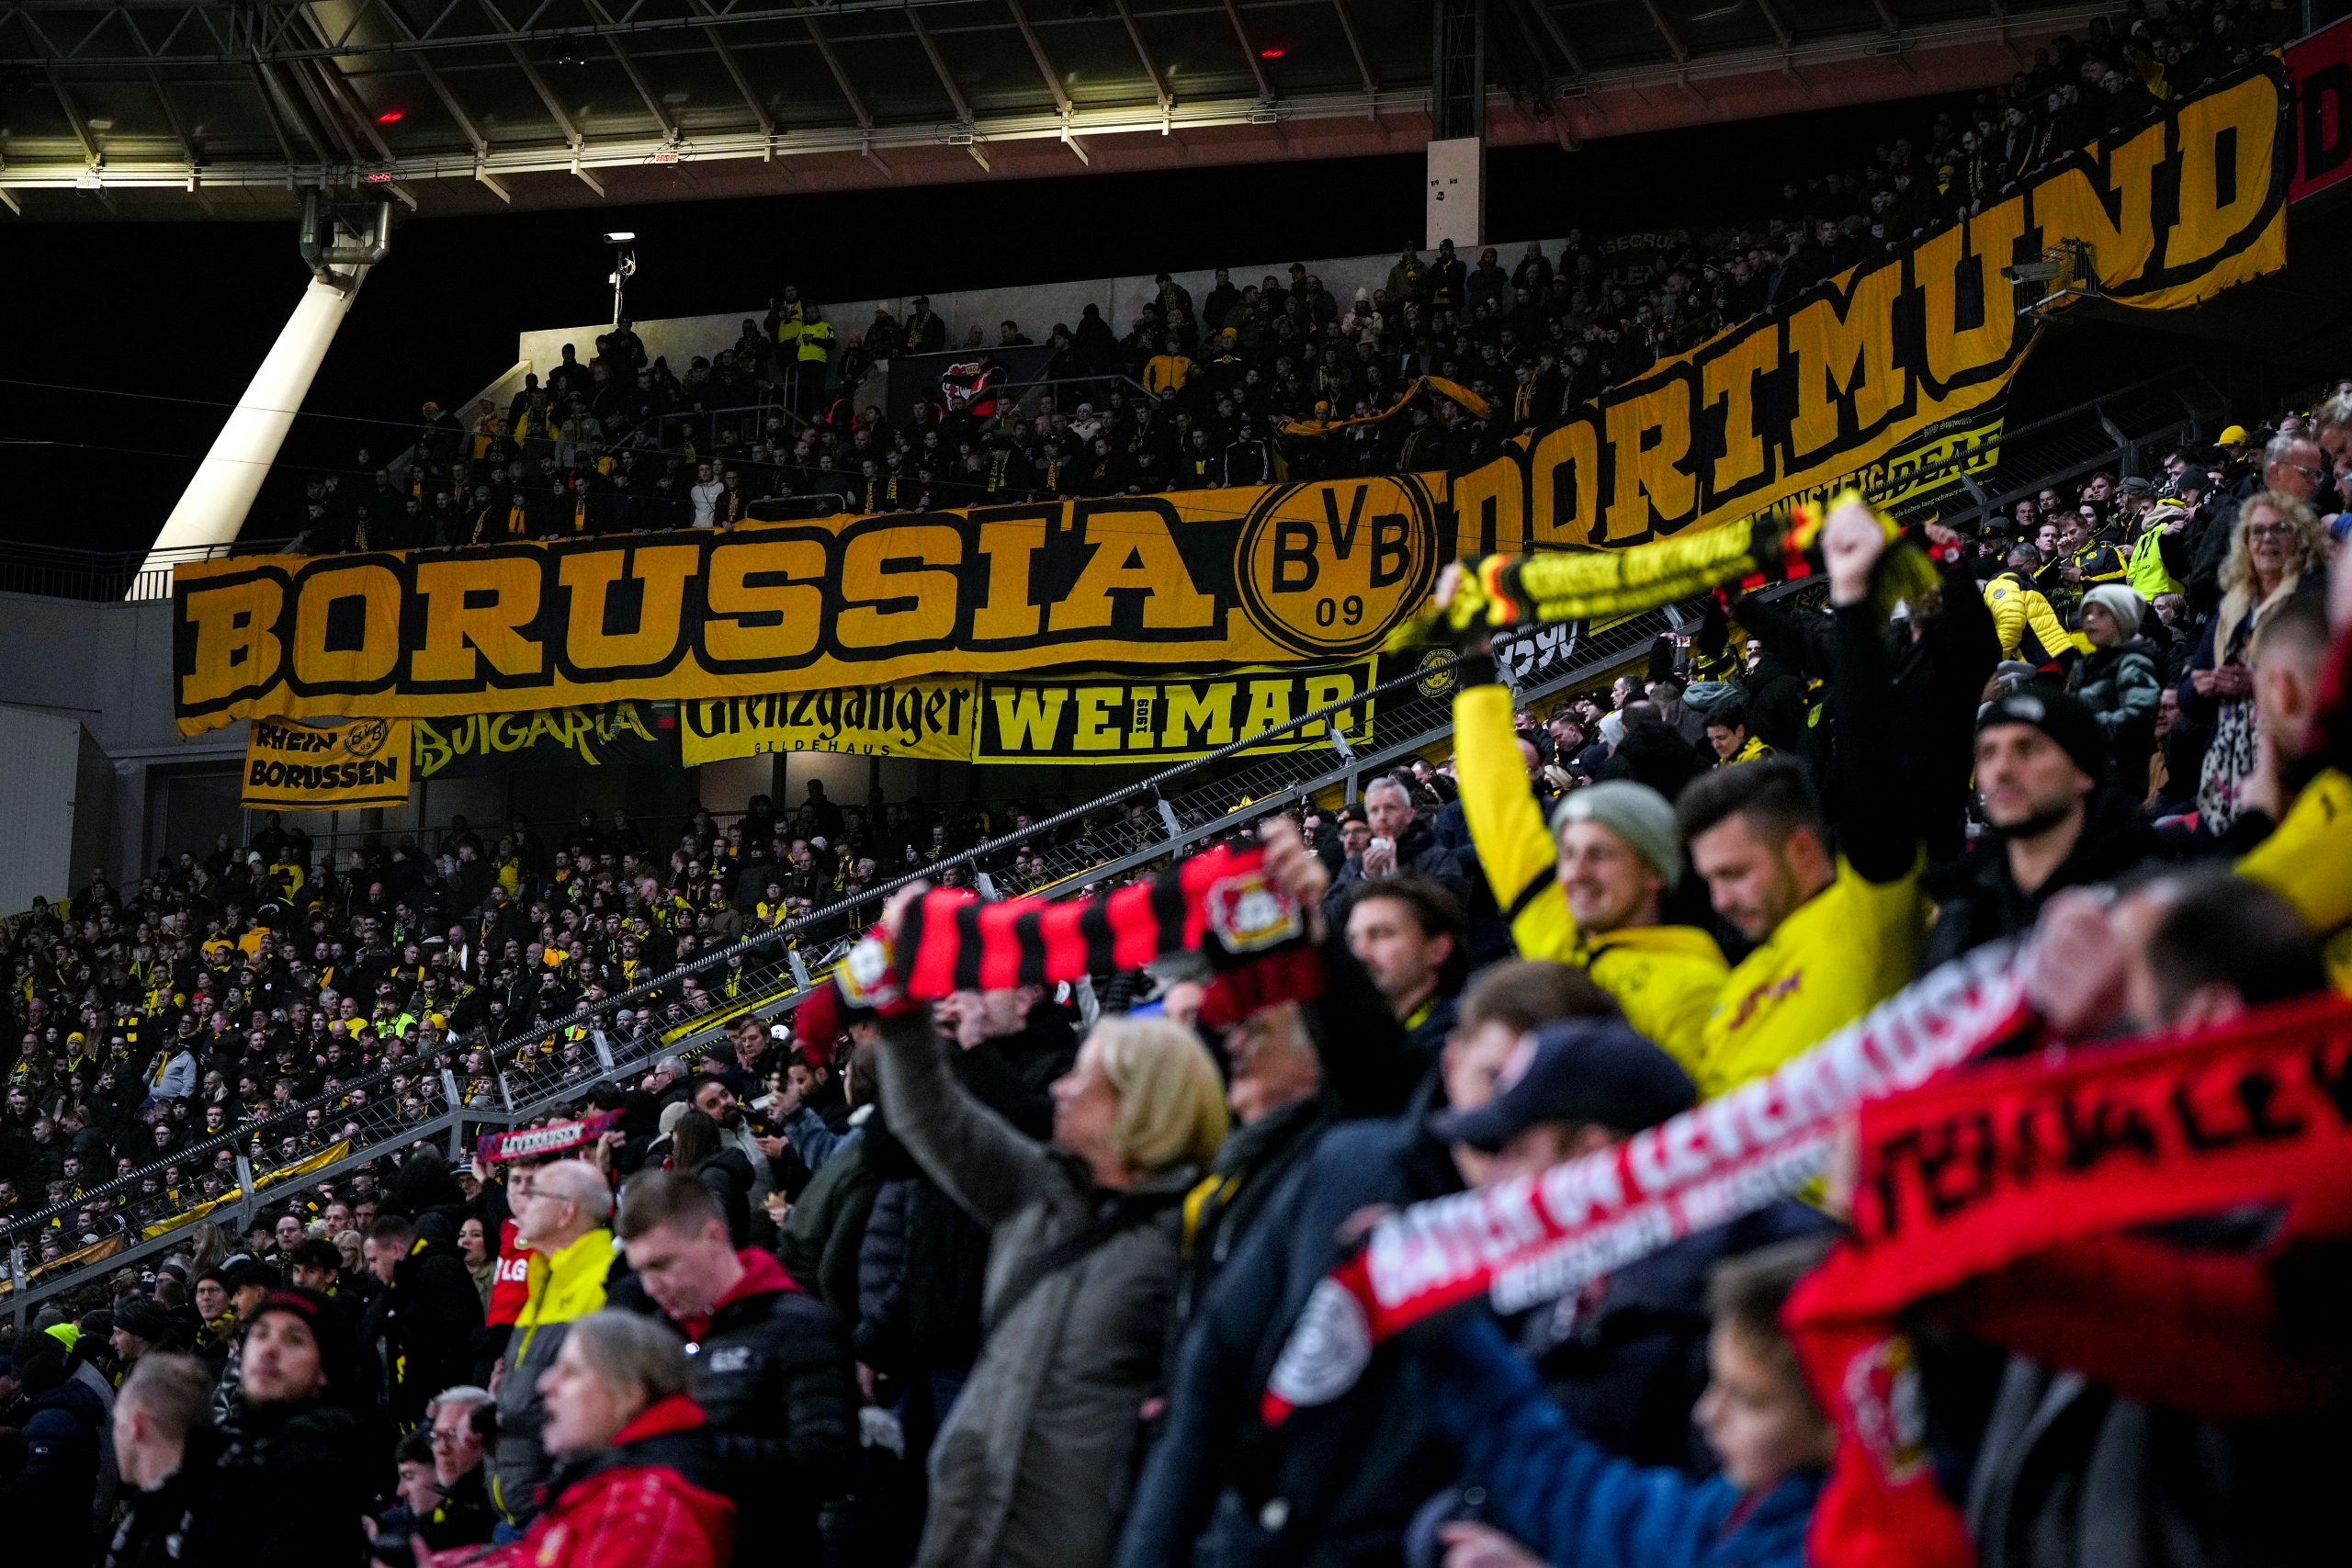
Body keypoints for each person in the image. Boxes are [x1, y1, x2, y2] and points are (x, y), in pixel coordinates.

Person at [873, 953, 1227, 1568]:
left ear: (1140, 1105)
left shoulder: (1188, 1239)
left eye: (1085, 1079)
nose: (1063, 1086)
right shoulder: (1038, 1194)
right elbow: (930, 1118)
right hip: (970, 1529)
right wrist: (900, 1011)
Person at [1672, 496, 1927, 1093]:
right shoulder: (1733, 988)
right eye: (1713, 879)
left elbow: (1869, 738)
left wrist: (1854, 594)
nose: (1722, 899)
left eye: (1735, 872)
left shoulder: (1869, 910)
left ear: (1801, 847)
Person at [1421, 1237, 1837, 1568]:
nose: (1707, 1414)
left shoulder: (1832, 1547)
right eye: (1716, 1383)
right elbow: (1582, 1501)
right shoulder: (1740, 1510)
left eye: (1749, 1401)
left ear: (1837, 1422)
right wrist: (1439, 1322)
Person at [611, 1170, 856, 1546]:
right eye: (641, 1270)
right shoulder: (659, 1332)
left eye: (661, 1265)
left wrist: (692, 1450)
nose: (650, 1286)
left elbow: (829, 1462)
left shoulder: (799, 1326)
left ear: (713, 1237)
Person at [433, 1312, 734, 1568]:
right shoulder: (601, 1489)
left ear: (627, 1395)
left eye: (570, 1372)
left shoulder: (639, 1513)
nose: (546, 1384)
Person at [1917, 686, 2154, 972]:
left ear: (2084, 772)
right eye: (1988, 753)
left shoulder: (2144, 901)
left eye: (2027, 749)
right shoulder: (1963, 904)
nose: (2002, 769)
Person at [2178, 490, 2330, 833]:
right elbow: (2188, 697)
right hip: (2225, 770)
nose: (2267, 539)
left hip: (2295, 765)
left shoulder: (2314, 597)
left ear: (2302, 538)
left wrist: (2257, 683)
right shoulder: (2231, 607)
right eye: (2257, 531)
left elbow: (2326, 681)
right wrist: (2204, 686)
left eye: (2281, 529)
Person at [489, 1159, 619, 1535]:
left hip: (569, 1510)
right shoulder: (543, 1277)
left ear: (567, 1212)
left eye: (535, 1194)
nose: (521, 1201)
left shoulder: (607, 1279)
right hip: (522, 1507)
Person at [363, 1211, 487, 1431]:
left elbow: (458, 1339)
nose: (371, 1268)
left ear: (396, 1250)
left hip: (446, 1411)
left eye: (374, 1259)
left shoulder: (438, 1269)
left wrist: (443, 1397)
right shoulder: (403, 1281)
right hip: (419, 1409)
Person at [2066, 582, 2164, 787]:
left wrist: (2084, 725)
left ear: (2123, 620)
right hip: (2090, 769)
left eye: (2102, 613)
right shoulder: (2088, 664)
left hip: (2119, 775)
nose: (2090, 619)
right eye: (2087, 613)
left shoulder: (2134, 661)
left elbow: (2140, 716)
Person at [418, 1385, 499, 1549]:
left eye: (453, 1435)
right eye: (436, 1436)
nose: (441, 1448)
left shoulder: (493, 1511)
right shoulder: (445, 1503)